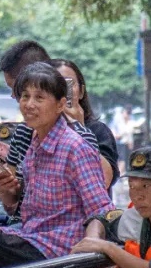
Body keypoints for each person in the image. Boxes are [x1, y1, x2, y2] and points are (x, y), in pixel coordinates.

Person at [0, 63, 114, 268]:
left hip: (59, 248)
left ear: (60, 104)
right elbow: (22, 210)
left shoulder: (75, 147)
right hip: (33, 235)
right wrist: (7, 192)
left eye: (39, 98)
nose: (29, 104)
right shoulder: (35, 145)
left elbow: (102, 208)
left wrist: (90, 246)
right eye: (25, 96)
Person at [51, 57, 119, 189]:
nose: (61, 91)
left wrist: (79, 127)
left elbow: (104, 181)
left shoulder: (98, 131)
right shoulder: (36, 132)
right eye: (54, 84)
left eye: (68, 84)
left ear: (81, 91)